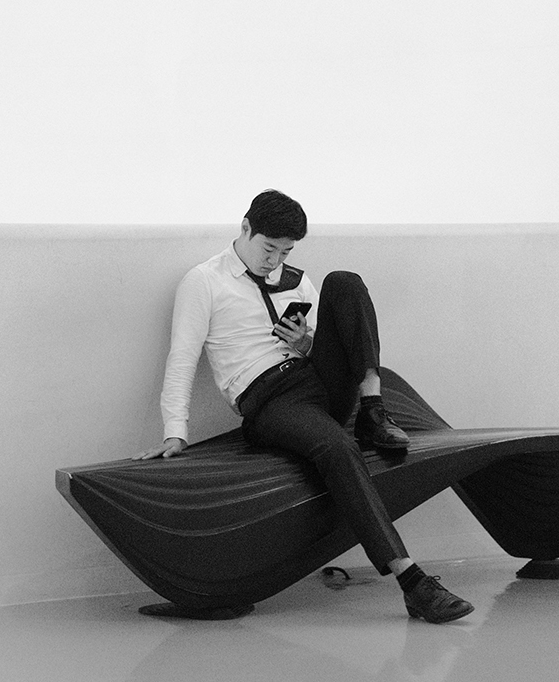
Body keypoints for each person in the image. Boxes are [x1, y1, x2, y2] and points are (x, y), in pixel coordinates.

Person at [135, 189, 474, 624]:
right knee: (336, 446)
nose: (274, 260)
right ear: (245, 229)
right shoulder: (203, 281)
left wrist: (307, 343)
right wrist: (174, 432)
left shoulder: (297, 279)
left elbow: (336, 343)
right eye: (268, 248)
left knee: (345, 281)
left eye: (285, 251)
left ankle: (372, 404)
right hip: (270, 400)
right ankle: (412, 582)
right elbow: (181, 358)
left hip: (316, 380)